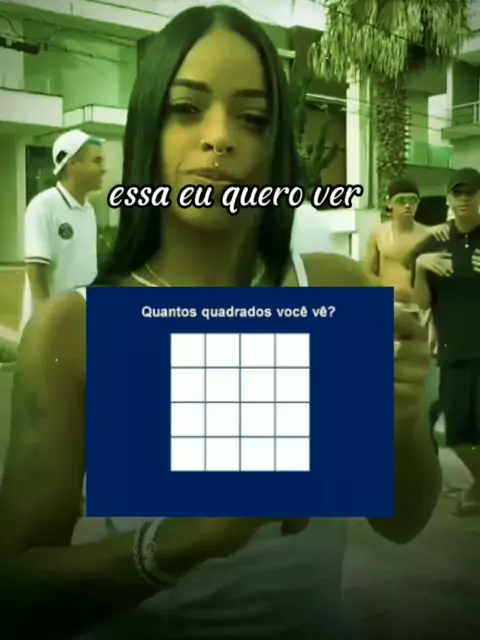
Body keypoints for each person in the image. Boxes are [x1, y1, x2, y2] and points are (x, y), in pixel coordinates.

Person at [0, 6, 440, 639]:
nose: (219, 137)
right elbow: (16, 594)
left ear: (274, 145)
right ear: (148, 127)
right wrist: (186, 539)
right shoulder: (77, 330)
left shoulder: (332, 290)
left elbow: (403, 523)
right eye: (186, 108)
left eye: (252, 117)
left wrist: (403, 421)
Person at [409, 167, 480, 516]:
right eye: (458, 193)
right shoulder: (434, 242)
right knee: (458, 433)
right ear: (449, 198)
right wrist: (420, 267)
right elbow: (422, 302)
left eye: (471, 193)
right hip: (454, 349)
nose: (464, 199)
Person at [19, 129, 105, 331]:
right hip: (49, 329)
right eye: (97, 161)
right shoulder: (43, 206)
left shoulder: (89, 210)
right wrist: (47, 328)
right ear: (72, 163)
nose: (103, 169)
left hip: (78, 323)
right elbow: (37, 276)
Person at [364, 178, 449, 306]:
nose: (407, 205)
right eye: (401, 201)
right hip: (389, 302)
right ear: (389, 203)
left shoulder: (427, 235)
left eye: (412, 200)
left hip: (418, 305)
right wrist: (384, 292)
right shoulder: (379, 233)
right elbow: (368, 272)